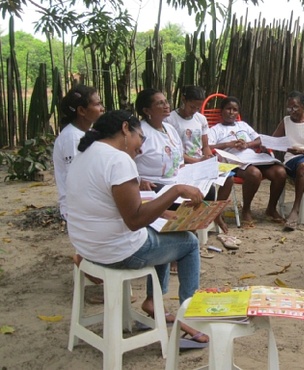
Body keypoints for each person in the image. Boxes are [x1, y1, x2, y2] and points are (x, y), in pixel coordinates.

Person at [65, 110, 208, 347]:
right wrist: (176, 191)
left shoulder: (85, 155)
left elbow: (112, 204)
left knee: (165, 233)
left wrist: (161, 211)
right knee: (189, 243)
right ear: (125, 129)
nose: (140, 147)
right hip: (117, 252)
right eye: (140, 138)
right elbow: (134, 220)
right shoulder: (119, 160)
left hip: (88, 248)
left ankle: (153, 301)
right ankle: (189, 315)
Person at [134, 88, 230, 233]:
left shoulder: (169, 129)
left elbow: (179, 157)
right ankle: (185, 233)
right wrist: (139, 181)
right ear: (147, 110)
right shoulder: (140, 133)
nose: (166, 105)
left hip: (176, 179)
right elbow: (126, 161)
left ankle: (193, 230)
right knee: (187, 196)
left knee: (208, 189)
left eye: (166, 101)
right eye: (160, 103)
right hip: (154, 184)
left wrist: (191, 170)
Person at [208, 96, 287, 227]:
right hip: (234, 162)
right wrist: (229, 144)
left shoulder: (243, 125)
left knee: (280, 172)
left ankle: (271, 209)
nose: (232, 112)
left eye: (235, 110)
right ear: (221, 111)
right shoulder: (216, 129)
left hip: (253, 158)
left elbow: (259, 139)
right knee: (254, 174)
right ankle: (246, 210)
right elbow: (208, 147)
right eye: (228, 109)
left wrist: (247, 144)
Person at [271, 91, 304, 232]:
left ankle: (295, 210)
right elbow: (274, 140)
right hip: (291, 159)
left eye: (295, 107)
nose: (291, 111)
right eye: (289, 108)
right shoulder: (286, 121)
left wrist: (302, 151)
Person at [53, 85, 104, 220]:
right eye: (97, 104)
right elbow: (77, 177)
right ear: (82, 110)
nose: (102, 108)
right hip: (78, 207)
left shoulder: (85, 133)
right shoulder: (72, 137)